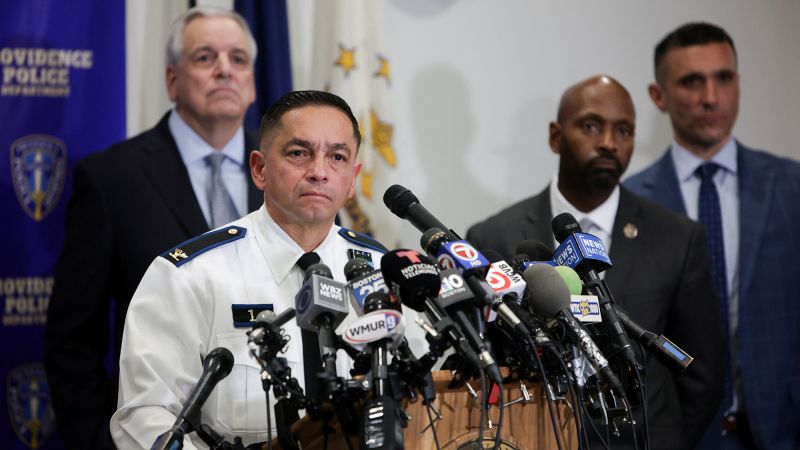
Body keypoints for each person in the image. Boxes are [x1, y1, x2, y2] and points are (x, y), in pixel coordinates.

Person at [109, 90, 427, 448]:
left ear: (352, 179)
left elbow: (422, 402)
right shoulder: (189, 275)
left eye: (337, 157)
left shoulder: (387, 274)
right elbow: (146, 416)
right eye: (299, 153)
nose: (319, 172)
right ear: (260, 169)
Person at [44, 7, 261, 449]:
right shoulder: (111, 178)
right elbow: (73, 340)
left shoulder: (292, 171)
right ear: (172, 80)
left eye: (238, 58)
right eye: (205, 57)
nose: (224, 69)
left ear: (252, 81)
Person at [467, 75, 724, 449]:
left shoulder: (677, 238)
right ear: (555, 137)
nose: (608, 142)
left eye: (623, 131)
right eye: (591, 126)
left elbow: (702, 374)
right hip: (537, 439)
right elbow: (486, 363)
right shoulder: (493, 239)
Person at [626, 22, 800, 450]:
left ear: (738, 84)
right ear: (658, 96)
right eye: (691, 81)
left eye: (723, 78)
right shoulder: (631, 205)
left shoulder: (791, 187)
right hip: (680, 435)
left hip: (783, 429)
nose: (711, 97)